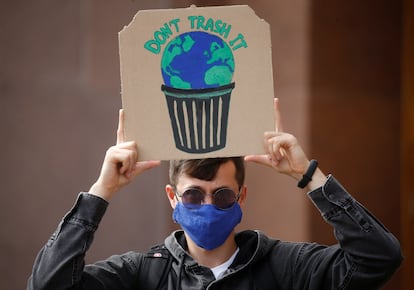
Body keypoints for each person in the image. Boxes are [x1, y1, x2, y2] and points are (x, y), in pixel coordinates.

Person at [27, 99, 402, 289]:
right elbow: (48, 285)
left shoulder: (285, 266)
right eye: (193, 196)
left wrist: (309, 176)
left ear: (241, 198)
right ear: (172, 197)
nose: (207, 205)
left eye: (221, 196)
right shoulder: (143, 274)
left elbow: (379, 258)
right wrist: (101, 191)